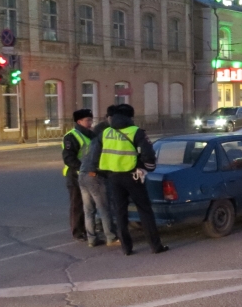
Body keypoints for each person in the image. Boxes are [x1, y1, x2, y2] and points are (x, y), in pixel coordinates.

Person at [92, 104, 168, 256]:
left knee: (120, 213)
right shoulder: (136, 132)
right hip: (133, 176)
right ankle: (155, 246)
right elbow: (149, 155)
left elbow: (95, 159)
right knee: (144, 210)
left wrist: (107, 173)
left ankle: (126, 248)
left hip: (113, 177)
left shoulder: (105, 133)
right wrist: (145, 167)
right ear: (130, 117)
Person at [79, 106, 120, 248]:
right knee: (104, 208)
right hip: (94, 176)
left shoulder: (93, 140)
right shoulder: (104, 139)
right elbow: (99, 160)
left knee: (88, 210)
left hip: (83, 175)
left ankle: (92, 239)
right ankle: (111, 237)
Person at [61, 109, 94, 241]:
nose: (90, 123)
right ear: (79, 121)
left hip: (89, 174)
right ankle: (78, 231)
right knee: (77, 204)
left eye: (91, 120)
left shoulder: (90, 135)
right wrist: (83, 168)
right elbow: (69, 158)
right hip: (75, 175)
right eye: (87, 120)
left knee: (89, 204)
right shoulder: (71, 136)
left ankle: (88, 229)